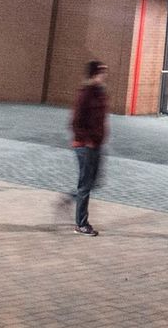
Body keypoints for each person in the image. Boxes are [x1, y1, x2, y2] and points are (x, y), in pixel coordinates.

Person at [70, 60, 109, 235]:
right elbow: (75, 122)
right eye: (102, 72)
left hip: (97, 144)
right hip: (85, 146)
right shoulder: (85, 94)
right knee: (86, 185)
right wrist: (86, 140)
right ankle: (81, 224)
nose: (104, 75)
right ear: (94, 74)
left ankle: (69, 199)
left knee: (94, 182)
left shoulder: (100, 93)